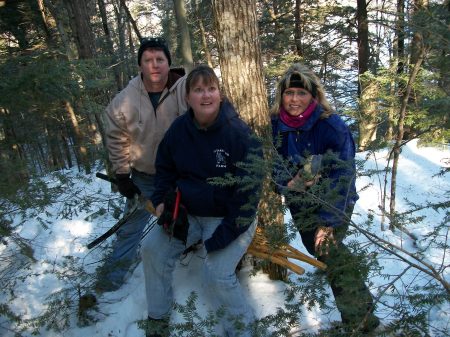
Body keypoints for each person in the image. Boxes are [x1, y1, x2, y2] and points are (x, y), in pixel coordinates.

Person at [140, 65, 263, 337]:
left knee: (216, 273)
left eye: (211, 89)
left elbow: (248, 196)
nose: (205, 95)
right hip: (189, 213)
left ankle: (243, 330)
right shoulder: (179, 130)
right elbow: (165, 168)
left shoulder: (238, 134)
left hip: (230, 217)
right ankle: (158, 320)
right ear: (187, 98)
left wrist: (220, 239)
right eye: (198, 90)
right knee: (152, 250)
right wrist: (162, 201)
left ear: (220, 94)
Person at [270, 63, 380, 333]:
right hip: (300, 203)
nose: (294, 100)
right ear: (281, 96)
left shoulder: (331, 126)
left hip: (334, 201)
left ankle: (361, 319)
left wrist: (329, 222)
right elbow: (271, 165)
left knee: (329, 249)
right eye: (289, 93)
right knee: (319, 249)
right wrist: (287, 183)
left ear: (314, 96)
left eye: (301, 93)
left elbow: (343, 175)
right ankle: (359, 306)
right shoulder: (275, 125)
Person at [100, 37, 188, 292]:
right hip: (145, 177)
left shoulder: (185, 88)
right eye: (148, 60)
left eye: (160, 59)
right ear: (140, 65)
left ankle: (191, 270)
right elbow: (117, 138)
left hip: (180, 177)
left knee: (189, 222)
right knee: (130, 228)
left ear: (169, 63)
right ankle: (110, 283)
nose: (154, 65)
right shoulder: (125, 98)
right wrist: (122, 175)